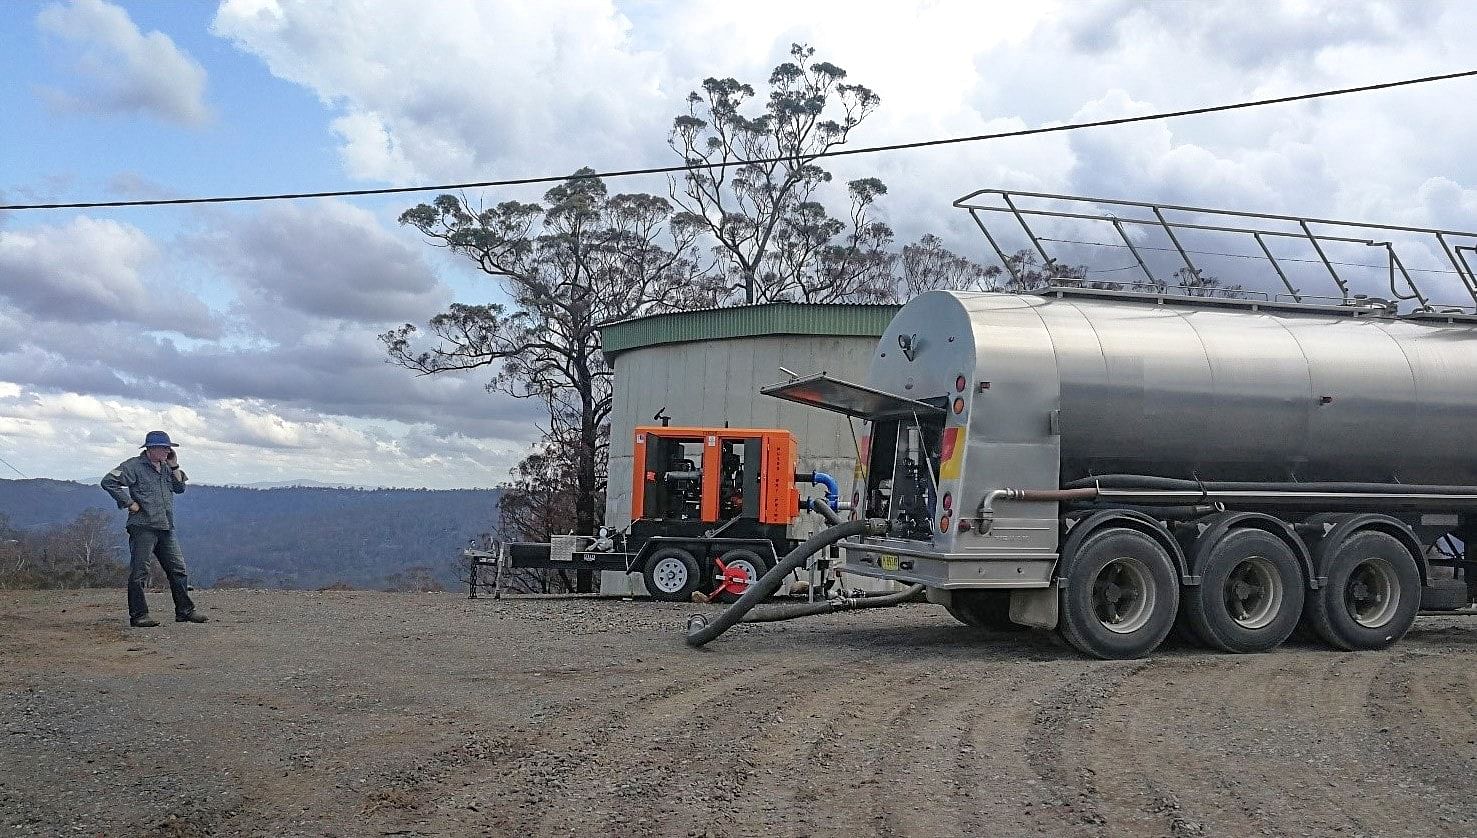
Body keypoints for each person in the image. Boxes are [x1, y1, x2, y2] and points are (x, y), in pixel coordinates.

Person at [101, 431, 208, 628]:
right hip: (143, 527)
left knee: (178, 569)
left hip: (166, 526)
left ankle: (185, 611)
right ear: (150, 449)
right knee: (140, 572)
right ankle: (139, 615)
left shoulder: (167, 467)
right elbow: (108, 482)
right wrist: (128, 502)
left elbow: (180, 489)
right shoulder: (133, 466)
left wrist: (174, 465)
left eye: (169, 448)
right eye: (164, 448)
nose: (168, 451)